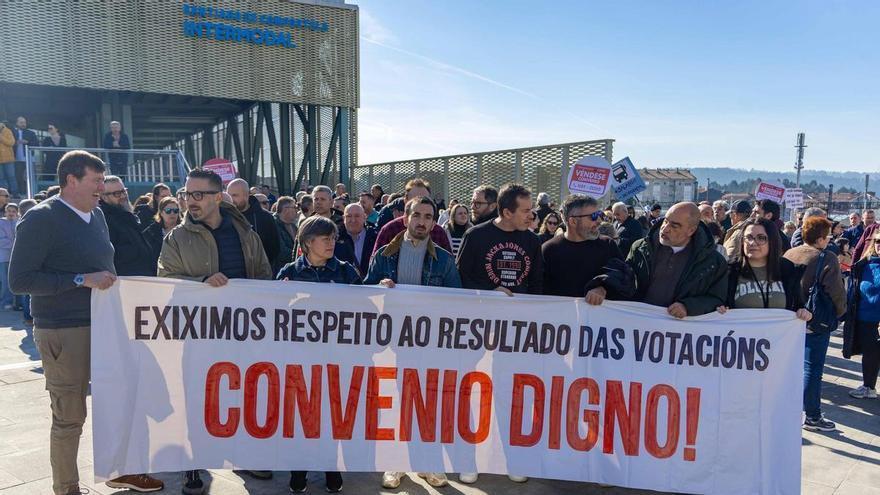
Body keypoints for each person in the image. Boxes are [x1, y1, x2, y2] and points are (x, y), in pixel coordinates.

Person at [9, 150, 164, 494]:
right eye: (95, 181)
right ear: (71, 180)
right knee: (70, 416)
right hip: (63, 330)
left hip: (106, 325)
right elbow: (20, 281)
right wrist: (81, 280)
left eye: (102, 180)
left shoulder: (97, 216)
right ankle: (67, 488)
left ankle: (122, 471)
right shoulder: (41, 218)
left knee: (123, 400)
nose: (101, 187)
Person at [157, 168, 272, 495]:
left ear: (217, 197)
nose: (189, 201)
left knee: (243, 394)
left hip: (243, 332)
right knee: (197, 397)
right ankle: (193, 463)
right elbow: (165, 281)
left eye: (198, 194)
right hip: (199, 335)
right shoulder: (177, 238)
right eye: (186, 194)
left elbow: (263, 274)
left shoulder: (245, 233)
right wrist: (201, 283)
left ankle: (245, 456)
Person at [366, 197, 458, 489]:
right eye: (416, 215)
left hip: (430, 343)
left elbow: (458, 303)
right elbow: (363, 294)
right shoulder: (383, 255)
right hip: (392, 340)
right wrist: (378, 287)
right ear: (405, 218)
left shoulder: (444, 260)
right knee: (394, 402)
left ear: (434, 222)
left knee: (428, 402)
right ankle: (395, 463)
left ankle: (428, 462)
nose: (422, 221)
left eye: (428, 217)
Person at [276, 216, 357, 494]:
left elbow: (366, 309)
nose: (331, 243)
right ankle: (298, 471)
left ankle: (331, 467)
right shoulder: (289, 273)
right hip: (300, 360)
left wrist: (384, 289)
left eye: (333, 238)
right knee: (301, 417)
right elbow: (273, 315)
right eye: (325, 239)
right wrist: (282, 296)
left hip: (336, 359)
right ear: (308, 242)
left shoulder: (346, 272)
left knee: (331, 416)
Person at [784, 217, 847, 432]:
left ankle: (790, 411)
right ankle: (812, 415)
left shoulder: (790, 253)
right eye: (827, 236)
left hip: (787, 319)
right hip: (814, 319)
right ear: (820, 239)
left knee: (789, 369)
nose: (829, 239)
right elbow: (836, 291)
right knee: (812, 368)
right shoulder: (826, 257)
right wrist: (840, 313)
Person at [628, 202, 728, 318]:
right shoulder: (640, 248)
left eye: (674, 226)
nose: (665, 229)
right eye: (665, 221)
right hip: (637, 322)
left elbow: (716, 299)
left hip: (679, 327)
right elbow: (624, 282)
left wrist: (688, 307)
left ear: (691, 230)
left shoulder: (713, 262)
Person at [457, 183, 543, 297]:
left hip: (520, 307)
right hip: (482, 307)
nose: (532, 216)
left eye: (531, 209)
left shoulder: (533, 240)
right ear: (507, 213)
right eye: (526, 211)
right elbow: (461, 278)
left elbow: (537, 283)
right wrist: (489, 292)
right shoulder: (474, 236)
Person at [716, 218, 811, 318]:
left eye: (761, 238)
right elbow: (719, 303)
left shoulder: (788, 269)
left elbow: (799, 304)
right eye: (748, 237)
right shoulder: (729, 271)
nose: (752, 243)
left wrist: (804, 312)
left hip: (780, 328)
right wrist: (718, 308)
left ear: (772, 241)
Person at [542, 194, 625, 302]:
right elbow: (538, 291)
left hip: (600, 312)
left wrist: (604, 287)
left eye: (598, 214)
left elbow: (625, 278)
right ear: (573, 221)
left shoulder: (607, 245)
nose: (599, 221)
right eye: (593, 216)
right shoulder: (548, 250)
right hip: (561, 312)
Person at [843, 228, 880, 400]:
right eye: (878, 241)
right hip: (864, 318)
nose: (879, 245)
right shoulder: (864, 264)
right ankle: (868, 387)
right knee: (870, 355)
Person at [373, 179, 452, 255]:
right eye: (415, 200)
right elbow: (377, 261)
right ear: (405, 200)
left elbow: (448, 262)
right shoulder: (390, 229)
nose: (421, 204)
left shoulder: (438, 232)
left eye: (425, 200)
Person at [100, 176, 156, 276]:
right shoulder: (104, 220)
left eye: (124, 191)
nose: (123, 196)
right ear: (104, 197)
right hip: (125, 280)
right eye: (117, 193)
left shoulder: (128, 216)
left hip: (142, 278)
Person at [226, 178, 281, 267]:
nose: (231, 199)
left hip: (258, 271)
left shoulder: (265, 217)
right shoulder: (224, 216)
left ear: (246, 195)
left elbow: (274, 249)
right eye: (229, 195)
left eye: (235, 195)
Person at [338, 203, 378, 276]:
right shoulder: (335, 238)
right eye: (349, 216)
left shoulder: (375, 237)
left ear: (365, 217)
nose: (353, 220)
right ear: (343, 218)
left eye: (357, 216)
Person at [142, 196, 181, 266]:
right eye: (168, 211)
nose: (172, 213)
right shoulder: (150, 232)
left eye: (176, 210)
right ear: (161, 213)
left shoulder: (185, 229)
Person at [272, 196, 298, 271]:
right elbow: (281, 251)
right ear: (285, 209)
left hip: (292, 268)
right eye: (295, 207)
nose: (297, 210)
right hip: (279, 270)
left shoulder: (293, 226)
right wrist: (300, 257)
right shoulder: (273, 224)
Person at [0, 202, 18, 309]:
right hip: (4, 257)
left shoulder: (18, 222)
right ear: (5, 212)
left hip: (16, 257)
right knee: (5, 281)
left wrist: (15, 222)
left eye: (13, 211)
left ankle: (17, 303)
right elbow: (1, 241)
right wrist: (16, 243)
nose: (11, 213)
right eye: (9, 211)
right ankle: (6, 302)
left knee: (15, 280)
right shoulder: (1, 223)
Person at [0, 121, 15, 196]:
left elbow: (11, 143)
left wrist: (1, 137)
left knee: (11, 177)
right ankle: (3, 195)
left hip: (8, 160)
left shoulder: (8, 131)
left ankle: (15, 193)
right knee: (1, 178)